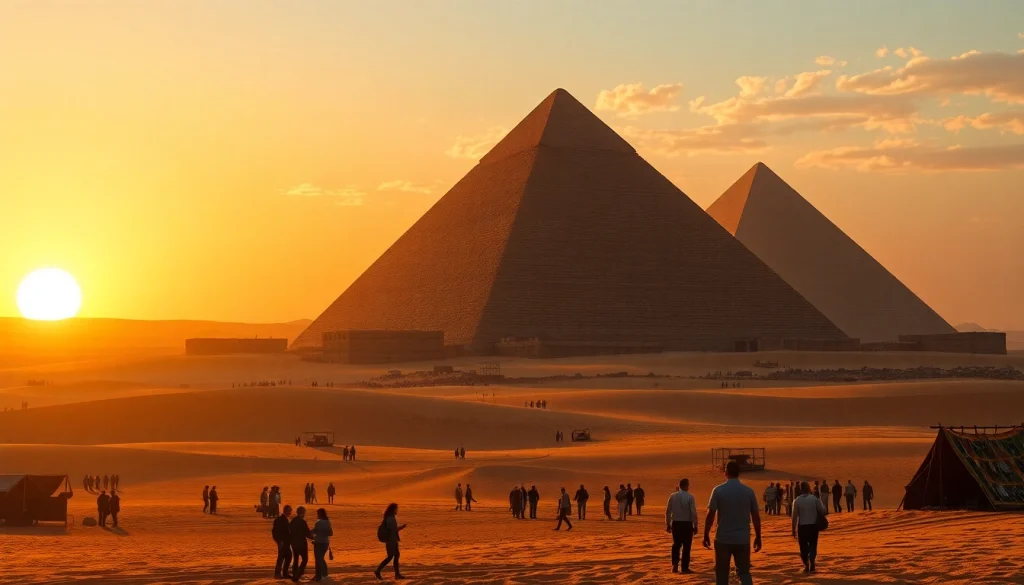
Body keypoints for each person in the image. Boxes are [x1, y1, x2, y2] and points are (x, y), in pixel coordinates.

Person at [703, 461, 761, 585]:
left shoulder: (718, 490)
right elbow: (755, 516)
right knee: (744, 573)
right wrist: (758, 536)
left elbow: (711, 514)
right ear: (739, 473)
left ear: (726, 472)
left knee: (722, 573)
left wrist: (706, 534)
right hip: (742, 539)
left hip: (723, 538)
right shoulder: (748, 491)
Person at [792, 481, 827, 573]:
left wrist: (793, 529)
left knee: (803, 547)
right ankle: (812, 561)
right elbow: (822, 510)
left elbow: (794, 516)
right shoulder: (814, 499)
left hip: (802, 527)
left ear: (801, 490)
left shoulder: (797, 500)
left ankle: (806, 564)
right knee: (813, 545)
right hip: (813, 526)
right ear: (808, 489)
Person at [666, 478, 698, 574]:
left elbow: (668, 511)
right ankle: (684, 567)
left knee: (676, 544)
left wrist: (668, 523)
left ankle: (674, 565)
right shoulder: (690, 497)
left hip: (676, 523)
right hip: (687, 524)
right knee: (687, 546)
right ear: (686, 486)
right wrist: (695, 524)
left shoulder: (672, 496)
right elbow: (693, 512)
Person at [374, 503, 406, 580]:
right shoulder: (390, 518)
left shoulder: (389, 517)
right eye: (396, 508)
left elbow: (392, 529)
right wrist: (400, 528)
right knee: (391, 556)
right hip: (391, 541)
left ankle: (397, 574)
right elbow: (391, 530)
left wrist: (400, 528)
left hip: (392, 540)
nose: (397, 509)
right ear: (393, 509)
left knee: (395, 555)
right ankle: (378, 571)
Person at [289, 506, 314, 581]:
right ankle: (298, 574)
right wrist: (314, 538)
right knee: (305, 559)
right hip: (301, 543)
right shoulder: (302, 522)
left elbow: (289, 531)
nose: (304, 514)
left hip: (294, 543)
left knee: (296, 559)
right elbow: (307, 533)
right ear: (302, 513)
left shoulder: (293, 521)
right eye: (304, 512)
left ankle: (295, 574)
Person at [312, 508, 333, 581]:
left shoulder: (318, 522)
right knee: (320, 558)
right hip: (325, 543)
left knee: (318, 559)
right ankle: (321, 574)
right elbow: (330, 533)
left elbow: (315, 531)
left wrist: (307, 533)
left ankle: (321, 575)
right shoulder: (327, 522)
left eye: (317, 513)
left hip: (318, 543)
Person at [273, 505, 293, 580]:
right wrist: (279, 541)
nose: (290, 513)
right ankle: (279, 573)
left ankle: (283, 573)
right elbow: (276, 532)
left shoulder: (282, 519)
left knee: (287, 556)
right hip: (283, 542)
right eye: (289, 511)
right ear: (286, 511)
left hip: (284, 542)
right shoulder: (281, 520)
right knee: (283, 557)